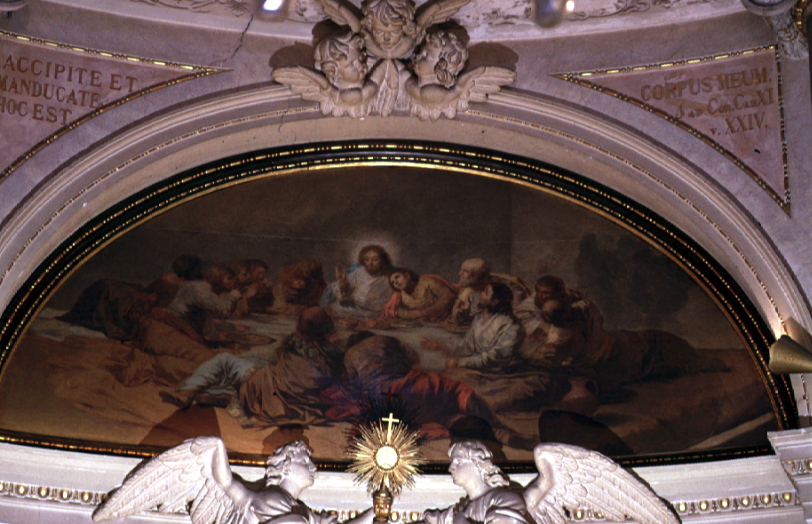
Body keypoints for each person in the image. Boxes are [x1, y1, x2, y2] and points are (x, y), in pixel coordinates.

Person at [163, 307, 345, 426]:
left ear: (301, 327)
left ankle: (186, 392)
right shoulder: (335, 354)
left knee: (225, 359)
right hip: (296, 401)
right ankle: (221, 393)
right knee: (251, 366)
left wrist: (239, 357)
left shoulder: (294, 343)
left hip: (268, 391)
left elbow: (269, 354)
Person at [421, 441, 530, 524]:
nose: (450, 468)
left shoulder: (506, 499)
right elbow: (436, 519)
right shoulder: (462, 508)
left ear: (478, 463)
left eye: (458, 462)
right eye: (451, 463)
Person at [426, 283, 523, 370]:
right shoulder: (479, 318)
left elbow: (492, 358)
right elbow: (467, 345)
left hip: (496, 372)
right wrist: (441, 346)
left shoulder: (510, 326)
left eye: (485, 292)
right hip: (478, 365)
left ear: (495, 302)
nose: (480, 293)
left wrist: (458, 362)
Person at [445, 259, 530, 329]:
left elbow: (516, 314)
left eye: (466, 271)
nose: (460, 273)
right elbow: (470, 320)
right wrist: (463, 312)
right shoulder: (471, 290)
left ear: (478, 275)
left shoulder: (502, 287)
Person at [326, 245, 394, 319]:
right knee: (332, 308)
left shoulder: (387, 277)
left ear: (382, 260)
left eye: (375, 259)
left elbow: (387, 301)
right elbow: (344, 292)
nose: (370, 263)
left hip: (374, 313)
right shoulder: (360, 271)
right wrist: (343, 283)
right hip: (355, 307)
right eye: (366, 259)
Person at [382, 268, 457, 322]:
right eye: (393, 282)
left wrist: (423, 313)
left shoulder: (427, 282)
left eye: (397, 277)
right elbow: (396, 312)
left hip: (443, 321)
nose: (396, 282)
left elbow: (448, 296)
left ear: (407, 275)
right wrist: (413, 315)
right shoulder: (399, 296)